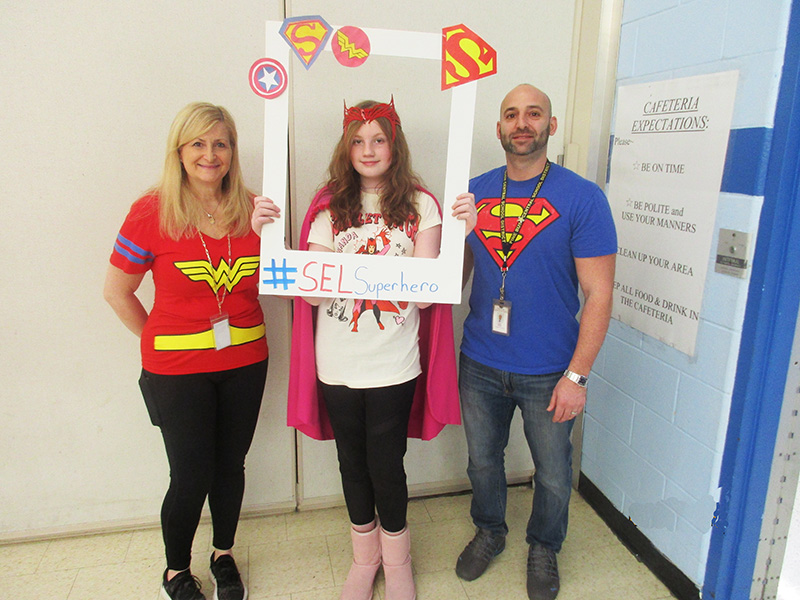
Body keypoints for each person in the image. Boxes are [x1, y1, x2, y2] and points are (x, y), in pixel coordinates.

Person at [252, 98, 476, 600]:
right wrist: (266, 237)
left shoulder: (422, 205)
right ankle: (364, 556)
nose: (368, 149)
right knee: (351, 462)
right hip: (337, 359)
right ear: (345, 147)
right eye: (358, 140)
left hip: (395, 360)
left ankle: (397, 561)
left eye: (378, 139)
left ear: (394, 145)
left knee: (385, 463)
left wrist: (462, 238)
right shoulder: (329, 206)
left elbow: (428, 288)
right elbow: (312, 292)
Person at [104, 102, 280, 600]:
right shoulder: (150, 212)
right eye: (198, 144)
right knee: (190, 473)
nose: (210, 154)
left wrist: (276, 234)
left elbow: (285, 282)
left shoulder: (253, 208)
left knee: (231, 465)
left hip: (246, 361)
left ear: (232, 151)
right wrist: (158, 344)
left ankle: (223, 554)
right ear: (179, 151)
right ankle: (175, 571)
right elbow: (117, 291)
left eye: (220, 143)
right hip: (176, 370)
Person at [453, 84, 616, 600]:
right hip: (480, 359)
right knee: (482, 461)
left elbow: (598, 293)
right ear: (498, 128)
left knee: (552, 470)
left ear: (551, 124)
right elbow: (451, 277)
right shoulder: (473, 192)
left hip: (551, 368)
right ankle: (490, 531)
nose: (521, 123)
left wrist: (577, 376)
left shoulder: (582, 198)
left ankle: (544, 545)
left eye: (533, 114)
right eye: (511, 115)